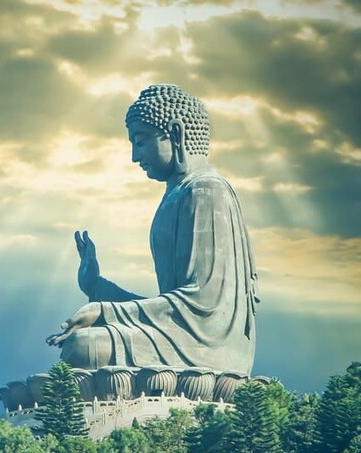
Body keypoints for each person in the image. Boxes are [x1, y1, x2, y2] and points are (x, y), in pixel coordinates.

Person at [46, 84, 259, 375]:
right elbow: (172, 310)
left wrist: (107, 311)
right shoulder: (178, 194)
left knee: (84, 347)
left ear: (175, 133)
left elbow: (201, 307)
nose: (135, 156)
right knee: (79, 345)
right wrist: (97, 287)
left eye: (141, 141)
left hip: (207, 349)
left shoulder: (206, 191)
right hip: (179, 337)